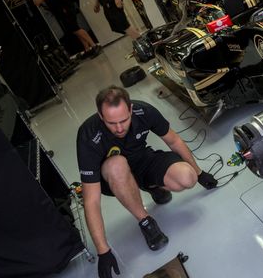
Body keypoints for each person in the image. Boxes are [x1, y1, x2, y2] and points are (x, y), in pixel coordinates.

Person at [76, 86, 218, 278]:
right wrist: (103, 251)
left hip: (143, 161)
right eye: (112, 123)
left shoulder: (145, 111)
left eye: (124, 120)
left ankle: (152, 186)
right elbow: (91, 200)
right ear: (101, 117)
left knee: (187, 177)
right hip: (113, 177)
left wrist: (200, 173)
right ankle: (145, 221)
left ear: (131, 109)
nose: (119, 128)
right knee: (116, 164)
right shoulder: (88, 135)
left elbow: (174, 141)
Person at [24, 0, 99, 56]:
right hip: (62, 10)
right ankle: (87, 49)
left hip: (65, 8)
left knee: (75, 28)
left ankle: (94, 45)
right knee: (74, 30)